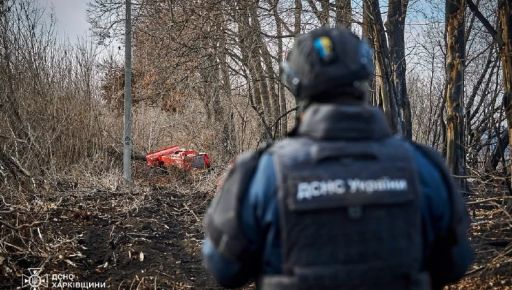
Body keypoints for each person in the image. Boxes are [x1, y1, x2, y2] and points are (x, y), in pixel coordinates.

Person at [202, 27, 473, 290]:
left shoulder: (260, 172)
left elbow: (225, 270)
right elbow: (455, 263)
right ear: (364, 77)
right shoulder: (423, 166)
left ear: (295, 84)